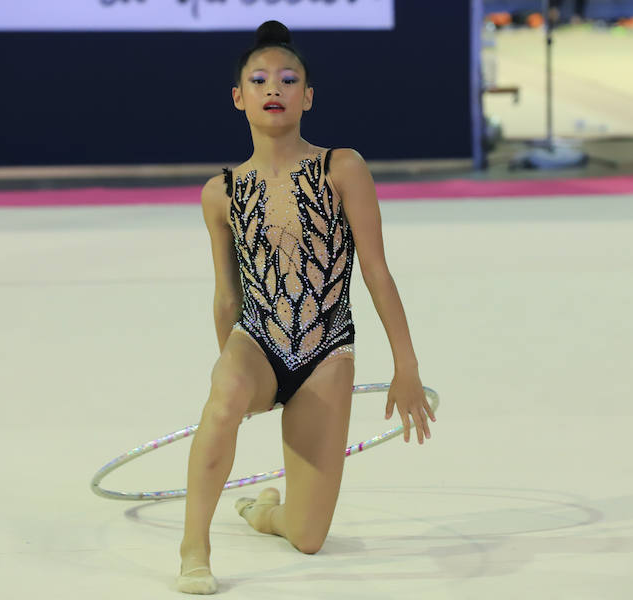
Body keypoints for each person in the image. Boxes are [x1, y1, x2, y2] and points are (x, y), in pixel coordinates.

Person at [177, 20, 435, 595]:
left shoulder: (342, 168)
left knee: (309, 536)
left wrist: (406, 366)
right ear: (238, 97)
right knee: (221, 403)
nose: (275, 88)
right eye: (260, 79)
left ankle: (263, 511)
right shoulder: (220, 192)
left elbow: (376, 272)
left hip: (326, 351)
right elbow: (226, 294)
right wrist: (235, 378)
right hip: (256, 345)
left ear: (308, 97)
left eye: (289, 79)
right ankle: (194, 546)